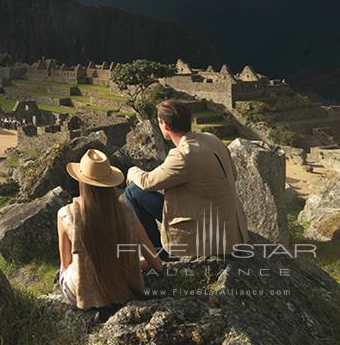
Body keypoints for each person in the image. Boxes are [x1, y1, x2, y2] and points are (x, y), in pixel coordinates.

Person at [124, 100, 248, 260]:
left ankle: (157, 254)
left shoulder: (183, 154)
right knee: (136, 191)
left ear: (165, 126)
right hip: (232, 228)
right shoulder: (212, 139)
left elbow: (148, 182)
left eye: (159, 121)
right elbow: (234, 174)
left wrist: (131, 171)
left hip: (210, 237)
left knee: (132, 192)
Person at [57, 149, 162, 309]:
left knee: (64, 267)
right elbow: (156, 263)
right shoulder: (127, 213)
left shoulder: (66, 215)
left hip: (83, 292)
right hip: (122, 288)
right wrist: (132, 263)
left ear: (82, 182)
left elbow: (66, 263)